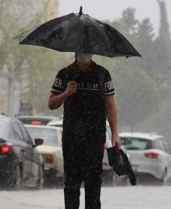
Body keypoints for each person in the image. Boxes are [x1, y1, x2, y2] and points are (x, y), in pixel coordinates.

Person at [48, 52, 122, 209]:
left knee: (94, 182)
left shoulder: (102, 74)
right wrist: (66, 93)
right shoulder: (64, 73)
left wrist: (115, 134)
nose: (85, 54)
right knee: (71, 182)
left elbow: (110, 105)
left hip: (95, 137)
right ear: (76, 52)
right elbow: (51, 104)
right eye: (82, 50)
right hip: (71, 137)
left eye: (89, 50)